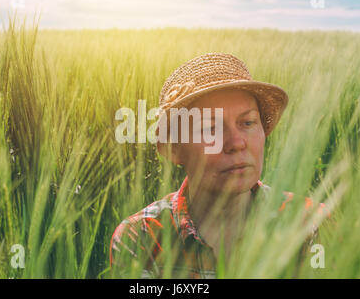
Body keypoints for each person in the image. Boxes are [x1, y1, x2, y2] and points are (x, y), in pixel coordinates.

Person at [109, 53, 330, 278]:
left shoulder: (312, 223)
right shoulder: (142, 237)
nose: (236, 143)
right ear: (175, 148)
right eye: (210, 129)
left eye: (248, 123)